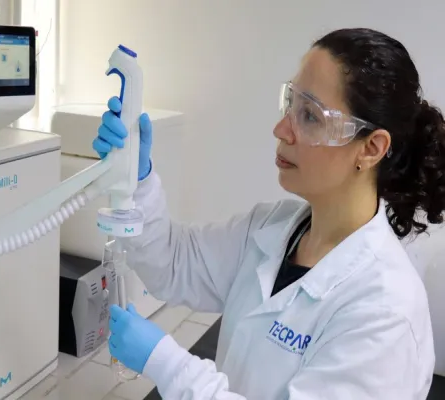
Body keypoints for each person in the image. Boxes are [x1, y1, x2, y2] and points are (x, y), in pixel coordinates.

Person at [94, 28, 445, 399]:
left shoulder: (386, 313)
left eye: (310, 116)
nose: (281, 130)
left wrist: (168, 365)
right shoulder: (272, 228)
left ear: (371, 148)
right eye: (291, 104)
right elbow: (174, 263)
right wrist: (138, 177)